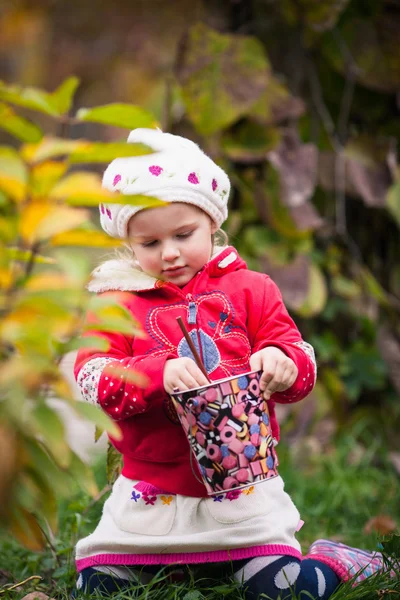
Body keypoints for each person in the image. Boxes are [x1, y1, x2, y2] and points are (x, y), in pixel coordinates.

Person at [73, 128, 388, 598]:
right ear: (127, 242)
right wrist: (157, 372)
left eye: (184, 234)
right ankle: (179, 563)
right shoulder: (116, 302)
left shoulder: (251, 289)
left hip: (242, 495)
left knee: (280, 589)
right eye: (150, 243)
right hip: (149, 494)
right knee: (95, 590)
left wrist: (281, 361)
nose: (170, 252)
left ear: (212, 222)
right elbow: (92, 376)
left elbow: (300, 359)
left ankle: (333, 565)